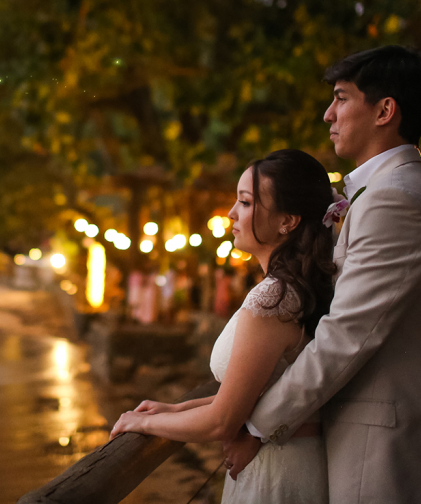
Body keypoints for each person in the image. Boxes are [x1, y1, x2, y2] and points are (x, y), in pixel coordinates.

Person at [223, 45, 421, 503]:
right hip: (364, 436)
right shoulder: (385, 191)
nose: (327, 114)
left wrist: (256, 426)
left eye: (340, 97)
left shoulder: (396, 199)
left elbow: (347, 335)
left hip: (387, 448)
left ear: (384, 111)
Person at [111, 148, 338, 503]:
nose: (231, 213)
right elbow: (248, 393)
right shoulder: (289, 290)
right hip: (285, 459)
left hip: (276, 473)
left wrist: (141, 424)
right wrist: (175, 409)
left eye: (246, 203)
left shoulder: (273, 299)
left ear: (287, 220)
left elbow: (222, 422)